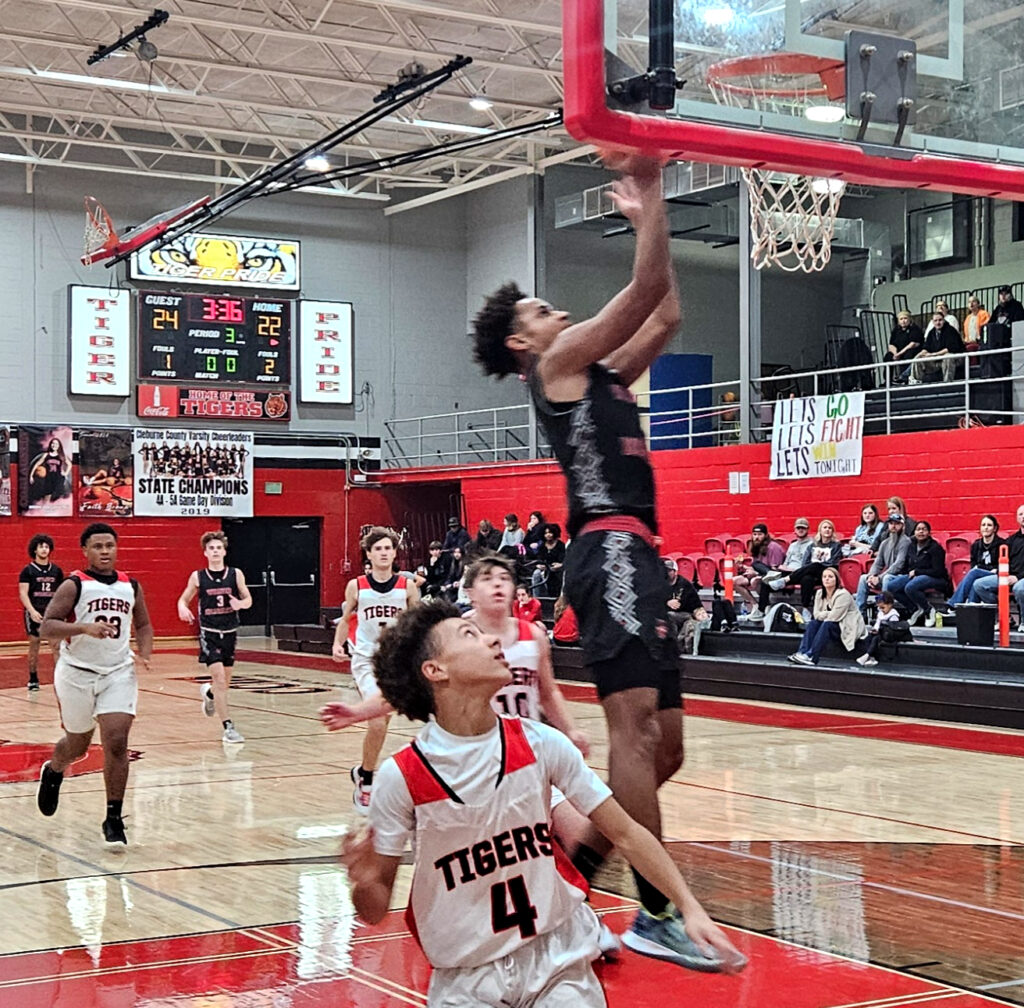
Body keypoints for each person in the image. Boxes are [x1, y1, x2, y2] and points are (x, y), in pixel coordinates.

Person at [471, 153, 717, 969]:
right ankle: (655, 913)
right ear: (523, 341)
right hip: (606, 543)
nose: (559, 310)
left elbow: (668, 314)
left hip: (637, 552)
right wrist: (647, 207)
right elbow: (644, 293)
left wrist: (654, 216)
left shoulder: (601, 374)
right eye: (544, 308)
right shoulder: (558, 364)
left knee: (666, 746)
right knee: (635, 733)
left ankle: (567, 881)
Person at [340, 602, 747, 1008]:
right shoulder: (401, 777)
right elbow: (374, 910)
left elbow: (626, 831)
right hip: (467, 977)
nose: (492, 639)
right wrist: (363, 881)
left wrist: (689, 908)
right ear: (435, 670)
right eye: (469, 635)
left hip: (559, 960)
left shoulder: (542, 743)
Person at [35, 523, 153, 846]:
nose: (105, 551)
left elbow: (142, 624)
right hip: (77, 672)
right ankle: (55, 768)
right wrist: (84, 628)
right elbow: (47, 627)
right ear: (85, 551)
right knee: (78, 745)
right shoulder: (74, 585)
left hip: (118, 672)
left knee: (116, 740)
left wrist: (144, 652)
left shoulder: (131, 585)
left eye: (110, 545)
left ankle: (113, 818)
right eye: (98, 546)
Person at [332, 526, 421, 814]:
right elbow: (346, 620)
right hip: (366, 658)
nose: (384, 553)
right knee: (378, 720)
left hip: (396, 661)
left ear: (395, 553)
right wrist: (337, 644)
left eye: (388, 548)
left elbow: (417, 625)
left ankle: (363, 770)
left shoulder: (407, 588)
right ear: (368, 554)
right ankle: (367, 781)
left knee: (388, 721)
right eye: (378, 549)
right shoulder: (357, 586)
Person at [176, 530, 252, 744]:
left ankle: (209, 694)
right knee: (219, 679)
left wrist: (241, 604)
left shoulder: (235, 574)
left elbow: (248, 599)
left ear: (224, 551)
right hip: (209, 634)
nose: (216, 551)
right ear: (206, 553)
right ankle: (228, 728)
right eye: (212, 548)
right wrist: (182, 608)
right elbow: (183, 599)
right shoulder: (198, 576)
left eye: (219, 548)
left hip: (230, 633)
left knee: (223, 684)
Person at [788, 566, 866, 665]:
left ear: (836, 580)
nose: (827, 579)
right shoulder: (819, 593)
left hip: (847, 627)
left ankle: (811, 656)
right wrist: (828, 613)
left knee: (827, 624)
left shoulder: (843, 594)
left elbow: (834, 617)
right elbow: (816, 615)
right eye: (824, 577)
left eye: (830, 577)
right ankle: (802, 652)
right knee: (813, 623)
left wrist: (825, 613)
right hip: (832, 624)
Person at [765, 519, 843, 615]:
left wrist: (816, 566)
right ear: (820, 530)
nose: (827, 530)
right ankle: (805, 609)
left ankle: (785, 580)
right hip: (812, 573)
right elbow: (805, 563)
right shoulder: (812, 545)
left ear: (832, 531)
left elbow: (832, 562)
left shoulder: (836, 545)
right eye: (825, 527)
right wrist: (811, 568)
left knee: (816, 565)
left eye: (830, 528)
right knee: (807, 579)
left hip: (828, 573)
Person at [19, 534, 64, 691]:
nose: (44, 549)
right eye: (41, 547)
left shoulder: (56, 571)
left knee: (56, 645)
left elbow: (60, 593)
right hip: (34, 611)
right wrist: (31, 611)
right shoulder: (28, 571)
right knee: (34, 645)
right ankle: (33, 678)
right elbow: (23, 593)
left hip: (51, 612)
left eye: (46, 547)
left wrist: (59, 611)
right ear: (35, 550)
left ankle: (60, 679)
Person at [887, 520, 947, 626]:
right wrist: (902, 574)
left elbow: (938, 571)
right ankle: (915, 609)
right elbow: (907, 566)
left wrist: (918, 572)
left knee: (910, 586)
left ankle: (928, 609)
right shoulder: (911, 546)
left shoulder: (935, 548)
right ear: (914, 532)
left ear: (929, 532)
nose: (921, 532)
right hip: (915, 576)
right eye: (918, 529)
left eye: (924, 529)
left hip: (935, 578)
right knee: (892, 586)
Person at [969, 503, 1024, 613]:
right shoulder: (1011, 540)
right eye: (1021, 514)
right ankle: (1002, 614)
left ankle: (1023, 621)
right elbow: (1003, 561)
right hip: (1008, 576)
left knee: (1019, 589)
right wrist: (1004, 574)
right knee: (979, 585)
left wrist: (1017, 577)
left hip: (1021, 578)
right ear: (1017, 518)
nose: (1023, 517)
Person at [854, 514, 911, 615]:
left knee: (886, 578)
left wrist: (879, 578)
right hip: (888, 575)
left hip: (902, 576)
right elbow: (878, 563)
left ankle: (885, 612)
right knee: (863, 578)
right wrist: (871, 576)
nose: (893, 526)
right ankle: (860, 614)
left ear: (903, 526)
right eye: (891, 523)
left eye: (897, 524)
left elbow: (899, 564)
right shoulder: (884, 543)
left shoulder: (906, 542)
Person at [756, 516, 812, 612]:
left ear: (807, 529)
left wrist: (794, 570)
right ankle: (762, 610)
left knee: (807, 579)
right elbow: (787, 562)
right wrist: (782, 567)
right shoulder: (793, 545)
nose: (801, 530)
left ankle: (805, 609)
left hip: (802, 572)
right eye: (798, 528)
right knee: (765, 580)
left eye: (803, 528)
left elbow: (810, 564)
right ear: (795, 529)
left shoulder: (812, 544)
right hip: (788, 572)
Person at [947, 515, 1005, 606]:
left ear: (995, 528)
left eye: (989, 525)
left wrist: (986, 569)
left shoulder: (1002, 544)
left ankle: (953, 604)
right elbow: (974, 563)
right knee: (975, 578)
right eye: (983, 525)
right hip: (981, 575)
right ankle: (972, 610)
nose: (985, 527)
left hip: (996, 575)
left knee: (974, 573)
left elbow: (1001, 565)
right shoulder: (976, 545)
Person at [733, 522, 784, 619]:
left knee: (754, 581)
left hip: (772, 576)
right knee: (734, 581)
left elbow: (775, 571)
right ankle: (755, 605)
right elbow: (756, 566)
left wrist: (755, 573)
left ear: (766, 535)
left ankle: (766, 605)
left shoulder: (773, 547)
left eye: (760, 534)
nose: (756, 537)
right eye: (754, 534)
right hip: (759, 574)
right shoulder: (755, 547)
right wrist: (744, 567)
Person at [664, 558, 709, 655]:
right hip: (668, 613)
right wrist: (667, 602)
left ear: (675, 572)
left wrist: (700, 614)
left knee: (669, 616)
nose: (666, 573)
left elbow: (695, 604)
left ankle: (676, 648)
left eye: (668, 570)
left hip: (685, 614)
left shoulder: (684, 584)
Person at [910, 311, 961, 384]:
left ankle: (948, 383)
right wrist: (922, 354)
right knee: (918, 357)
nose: (938, 323)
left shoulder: (951, 330)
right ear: (932, 322)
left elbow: (950, 349)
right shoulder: (931, 332)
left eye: (940, 320)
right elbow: (926, 347)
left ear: (944, 320)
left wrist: (933, 355)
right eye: (935, 321)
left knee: (948, 357)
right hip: (937, 359)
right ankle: (916, 382)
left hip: (955, 358)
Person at [855, 591, 901, 667]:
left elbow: (892, 628)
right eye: (879, 607)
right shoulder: (880, 613)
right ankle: (870, 657)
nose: (881, 609)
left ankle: (868, 655)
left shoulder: (893, 615)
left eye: (883, 607)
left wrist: (880, 631)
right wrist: (875, 629)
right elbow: (877, 623)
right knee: (869, 637)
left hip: (889, 635)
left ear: (890, 605)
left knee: (876, 639)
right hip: (881, 633)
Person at [885, 311, 923, 383]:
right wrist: (895, 353)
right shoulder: (896, 330)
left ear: (909, 319)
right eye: (901, 319)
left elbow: (912, 344)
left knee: (908, 354)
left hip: (910, 350)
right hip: (898, 351)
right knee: (888, 356)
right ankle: (888, 380)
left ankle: (904, 378)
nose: (903, 321)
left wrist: (899, 354)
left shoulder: (915, 329)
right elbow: (891, 345)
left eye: (905, 318)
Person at [531, 522, 566, 598]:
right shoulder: (542, 546)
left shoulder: (560, 545)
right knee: (536, 574)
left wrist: (560, 565)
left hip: (556, 570)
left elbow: (563, 560)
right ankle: (536, 598)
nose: (548, 535)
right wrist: (539, 565)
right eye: (546, 533)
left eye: (550, 533)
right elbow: (538, 558)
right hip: (544, 569)